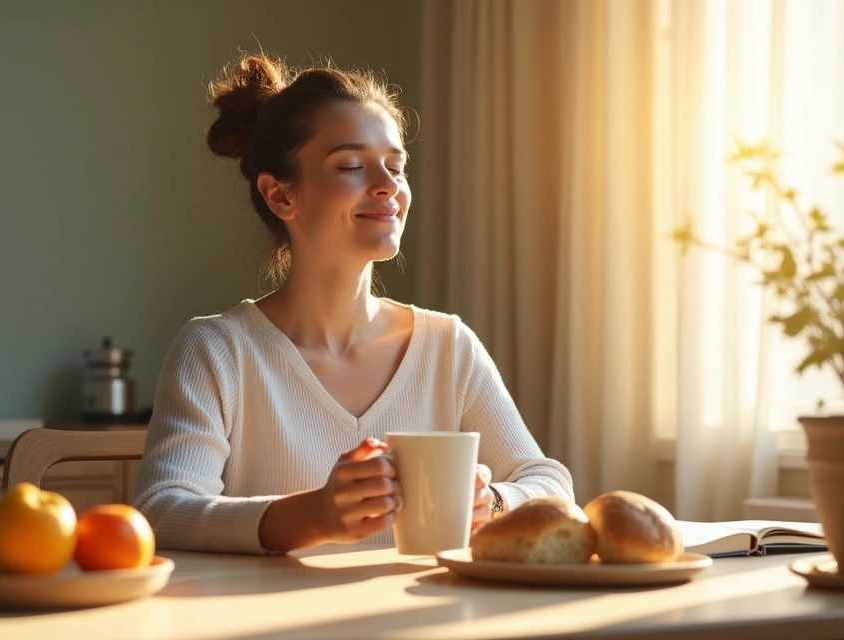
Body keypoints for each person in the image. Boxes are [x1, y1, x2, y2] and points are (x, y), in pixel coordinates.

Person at [133, 52, 573, 554]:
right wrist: (313, 516)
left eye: (397, 166)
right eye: (350, 165)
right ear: (280, 196)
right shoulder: (216, 351)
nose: (388, 185)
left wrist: (493, 501)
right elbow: (162, 508)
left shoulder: (448, 347)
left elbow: (551, 484)